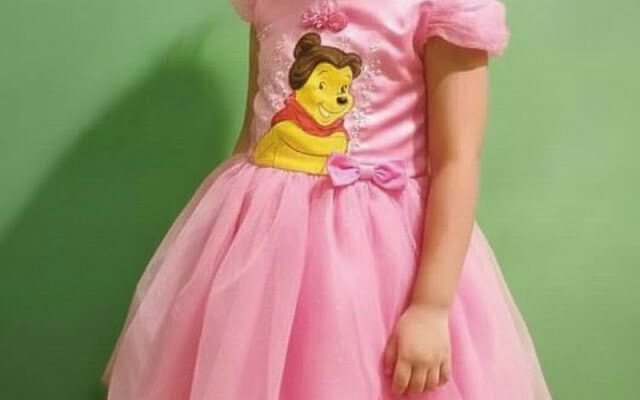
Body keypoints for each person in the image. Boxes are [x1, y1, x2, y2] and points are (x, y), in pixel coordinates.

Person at [101, 0, 552, 398]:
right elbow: (255, 131)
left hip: (377, 253)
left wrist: (431, 307)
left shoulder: (438, 8)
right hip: (265, 242)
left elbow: (458, 160)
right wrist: (227, 242)